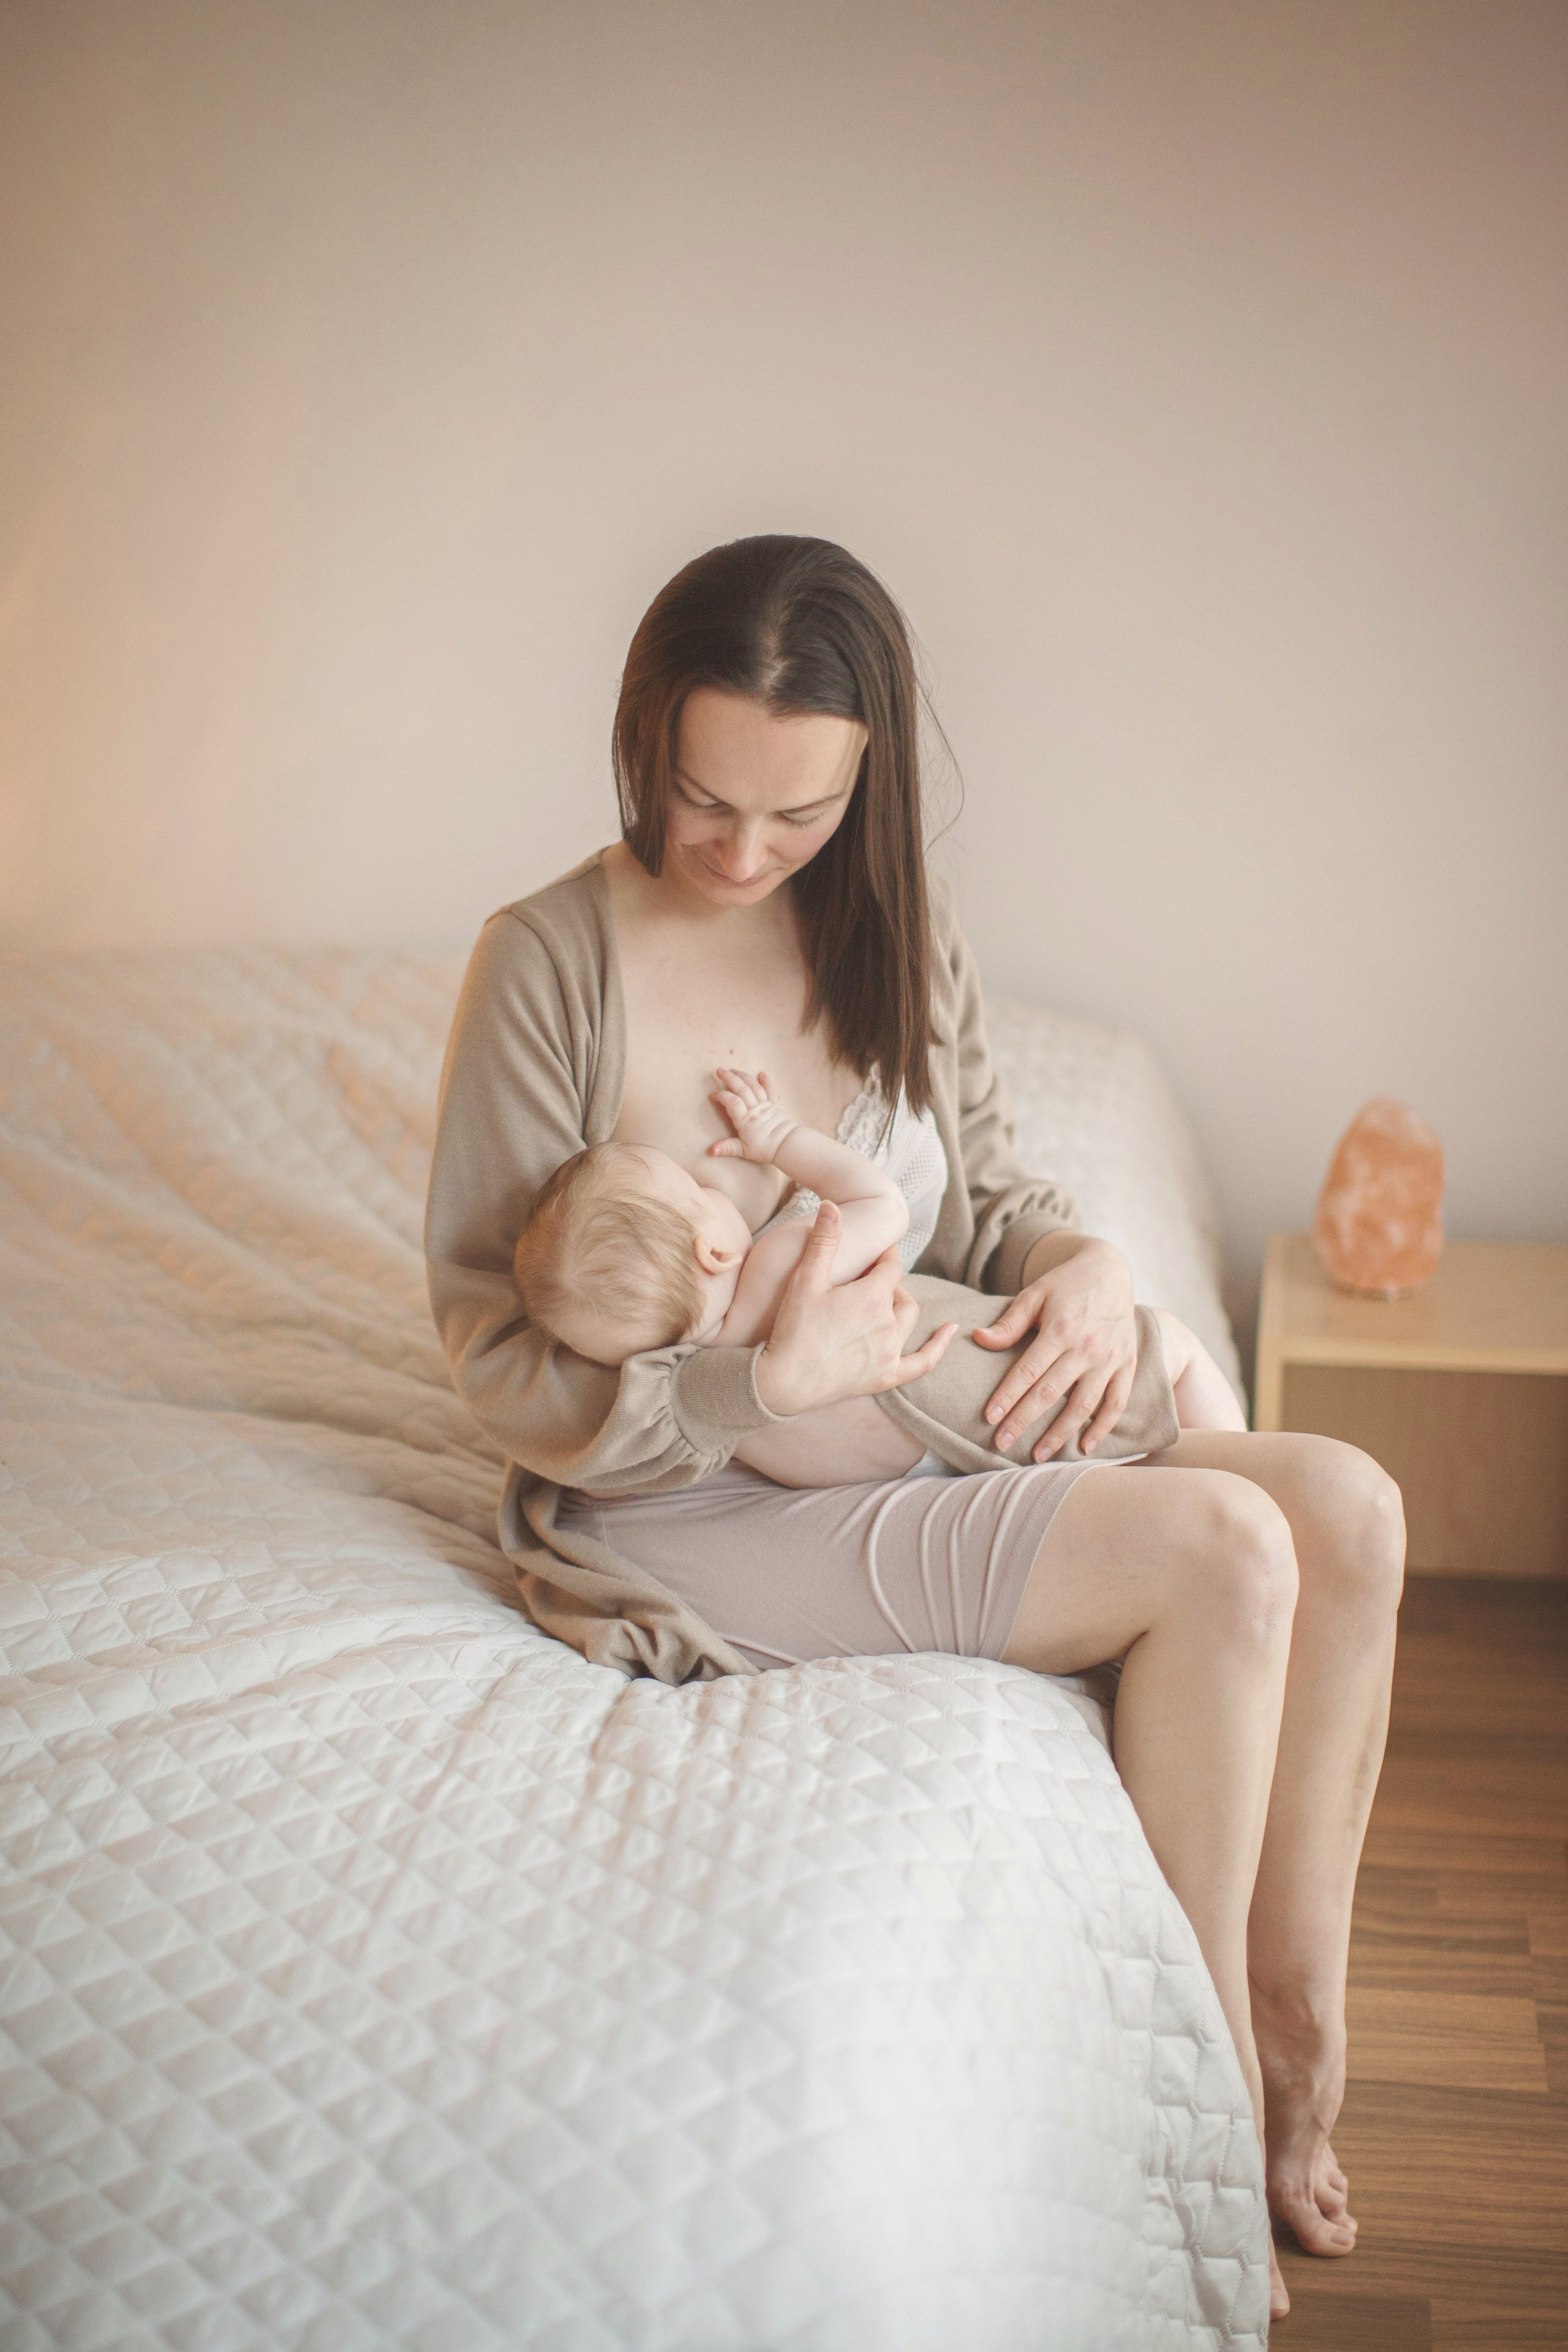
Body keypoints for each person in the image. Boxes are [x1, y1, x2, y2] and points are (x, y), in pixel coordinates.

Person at [424, 534, 1405, 2320]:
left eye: (790, 818)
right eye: (701, 797)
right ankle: (1190, 2101)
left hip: (883, 1397)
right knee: (1221, 1543)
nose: (735, 854)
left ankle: (1295, 2020)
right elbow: (499, 1346)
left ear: (862, 787)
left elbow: (974, 1197)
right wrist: (750, 1384)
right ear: (645, 737)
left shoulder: (888, 939)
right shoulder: (549, 962)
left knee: (1345, 1503)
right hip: (684, 1490)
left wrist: (1086, 1260)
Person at [510, 1063, 1245, 1483]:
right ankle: (1252, 1469)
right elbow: (883, 1203)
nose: (717, 1191)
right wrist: (780, 1141)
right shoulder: (780, 1264)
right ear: (715, 1253)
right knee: (1170, 1350)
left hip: (929, 1468)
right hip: (968, 1386)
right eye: (699, 1190)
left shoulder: (700, 1388)